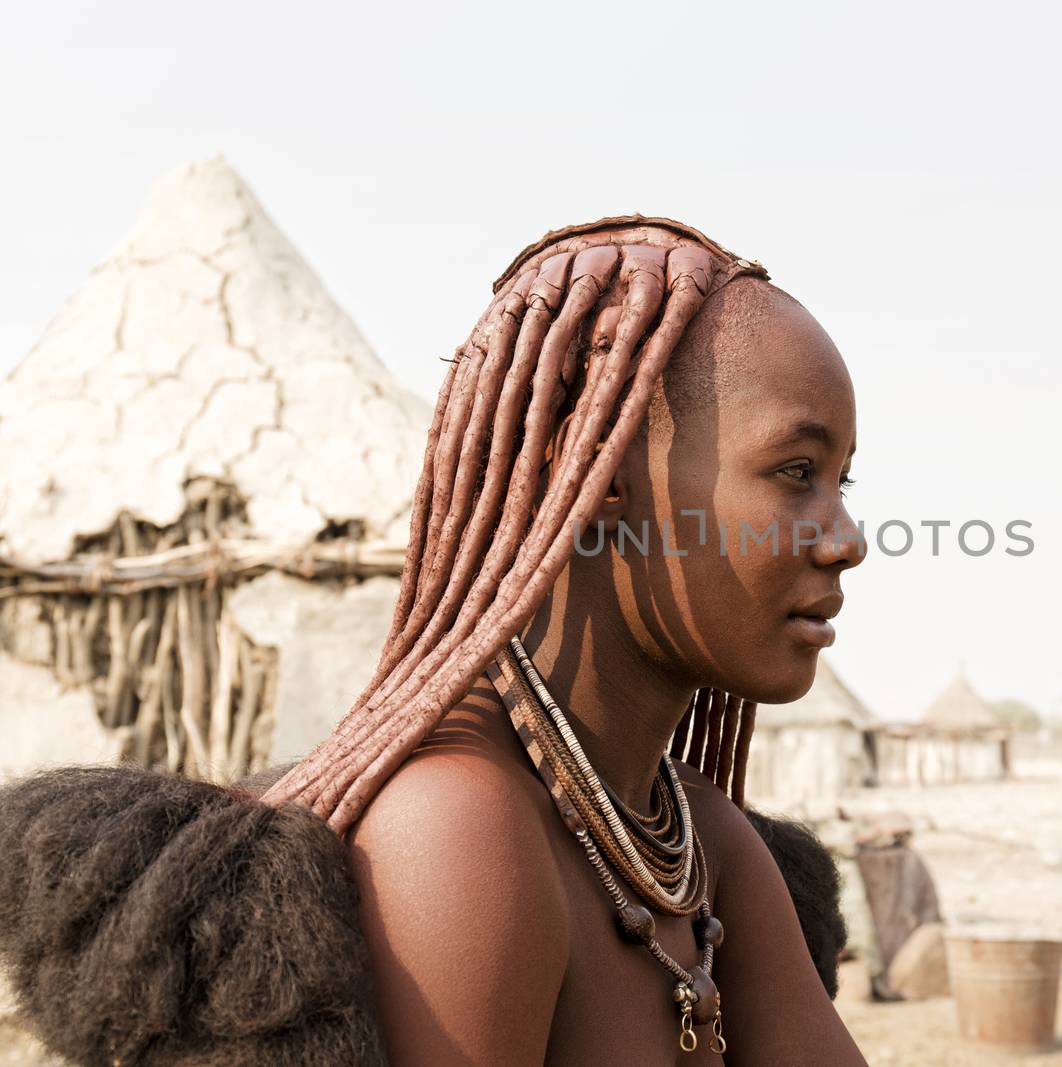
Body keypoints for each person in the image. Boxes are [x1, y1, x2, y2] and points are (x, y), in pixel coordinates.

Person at [0, 217, 870, 1066]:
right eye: (796, 473)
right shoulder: (461, 826)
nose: (848, 538)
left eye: (842, 480)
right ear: (597, 470)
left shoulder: (696, 835)